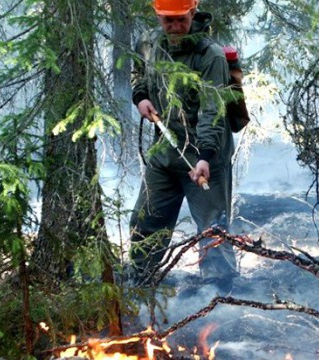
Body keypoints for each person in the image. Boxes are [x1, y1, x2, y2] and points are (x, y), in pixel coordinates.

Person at [128, 0, 237, 292]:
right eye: (168, 21)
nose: (175, 27)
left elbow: (213, 110)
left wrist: (205, 156)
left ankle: (220, 295)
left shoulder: (209, 55)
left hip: (205, 157)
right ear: (157, 15)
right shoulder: (149, 43)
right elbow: (138, 73)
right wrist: (141, 98)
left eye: (181, 20)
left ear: (192, 13)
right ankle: (140, 287)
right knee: (145, 222)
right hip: (164, 153)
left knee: (213, 231)